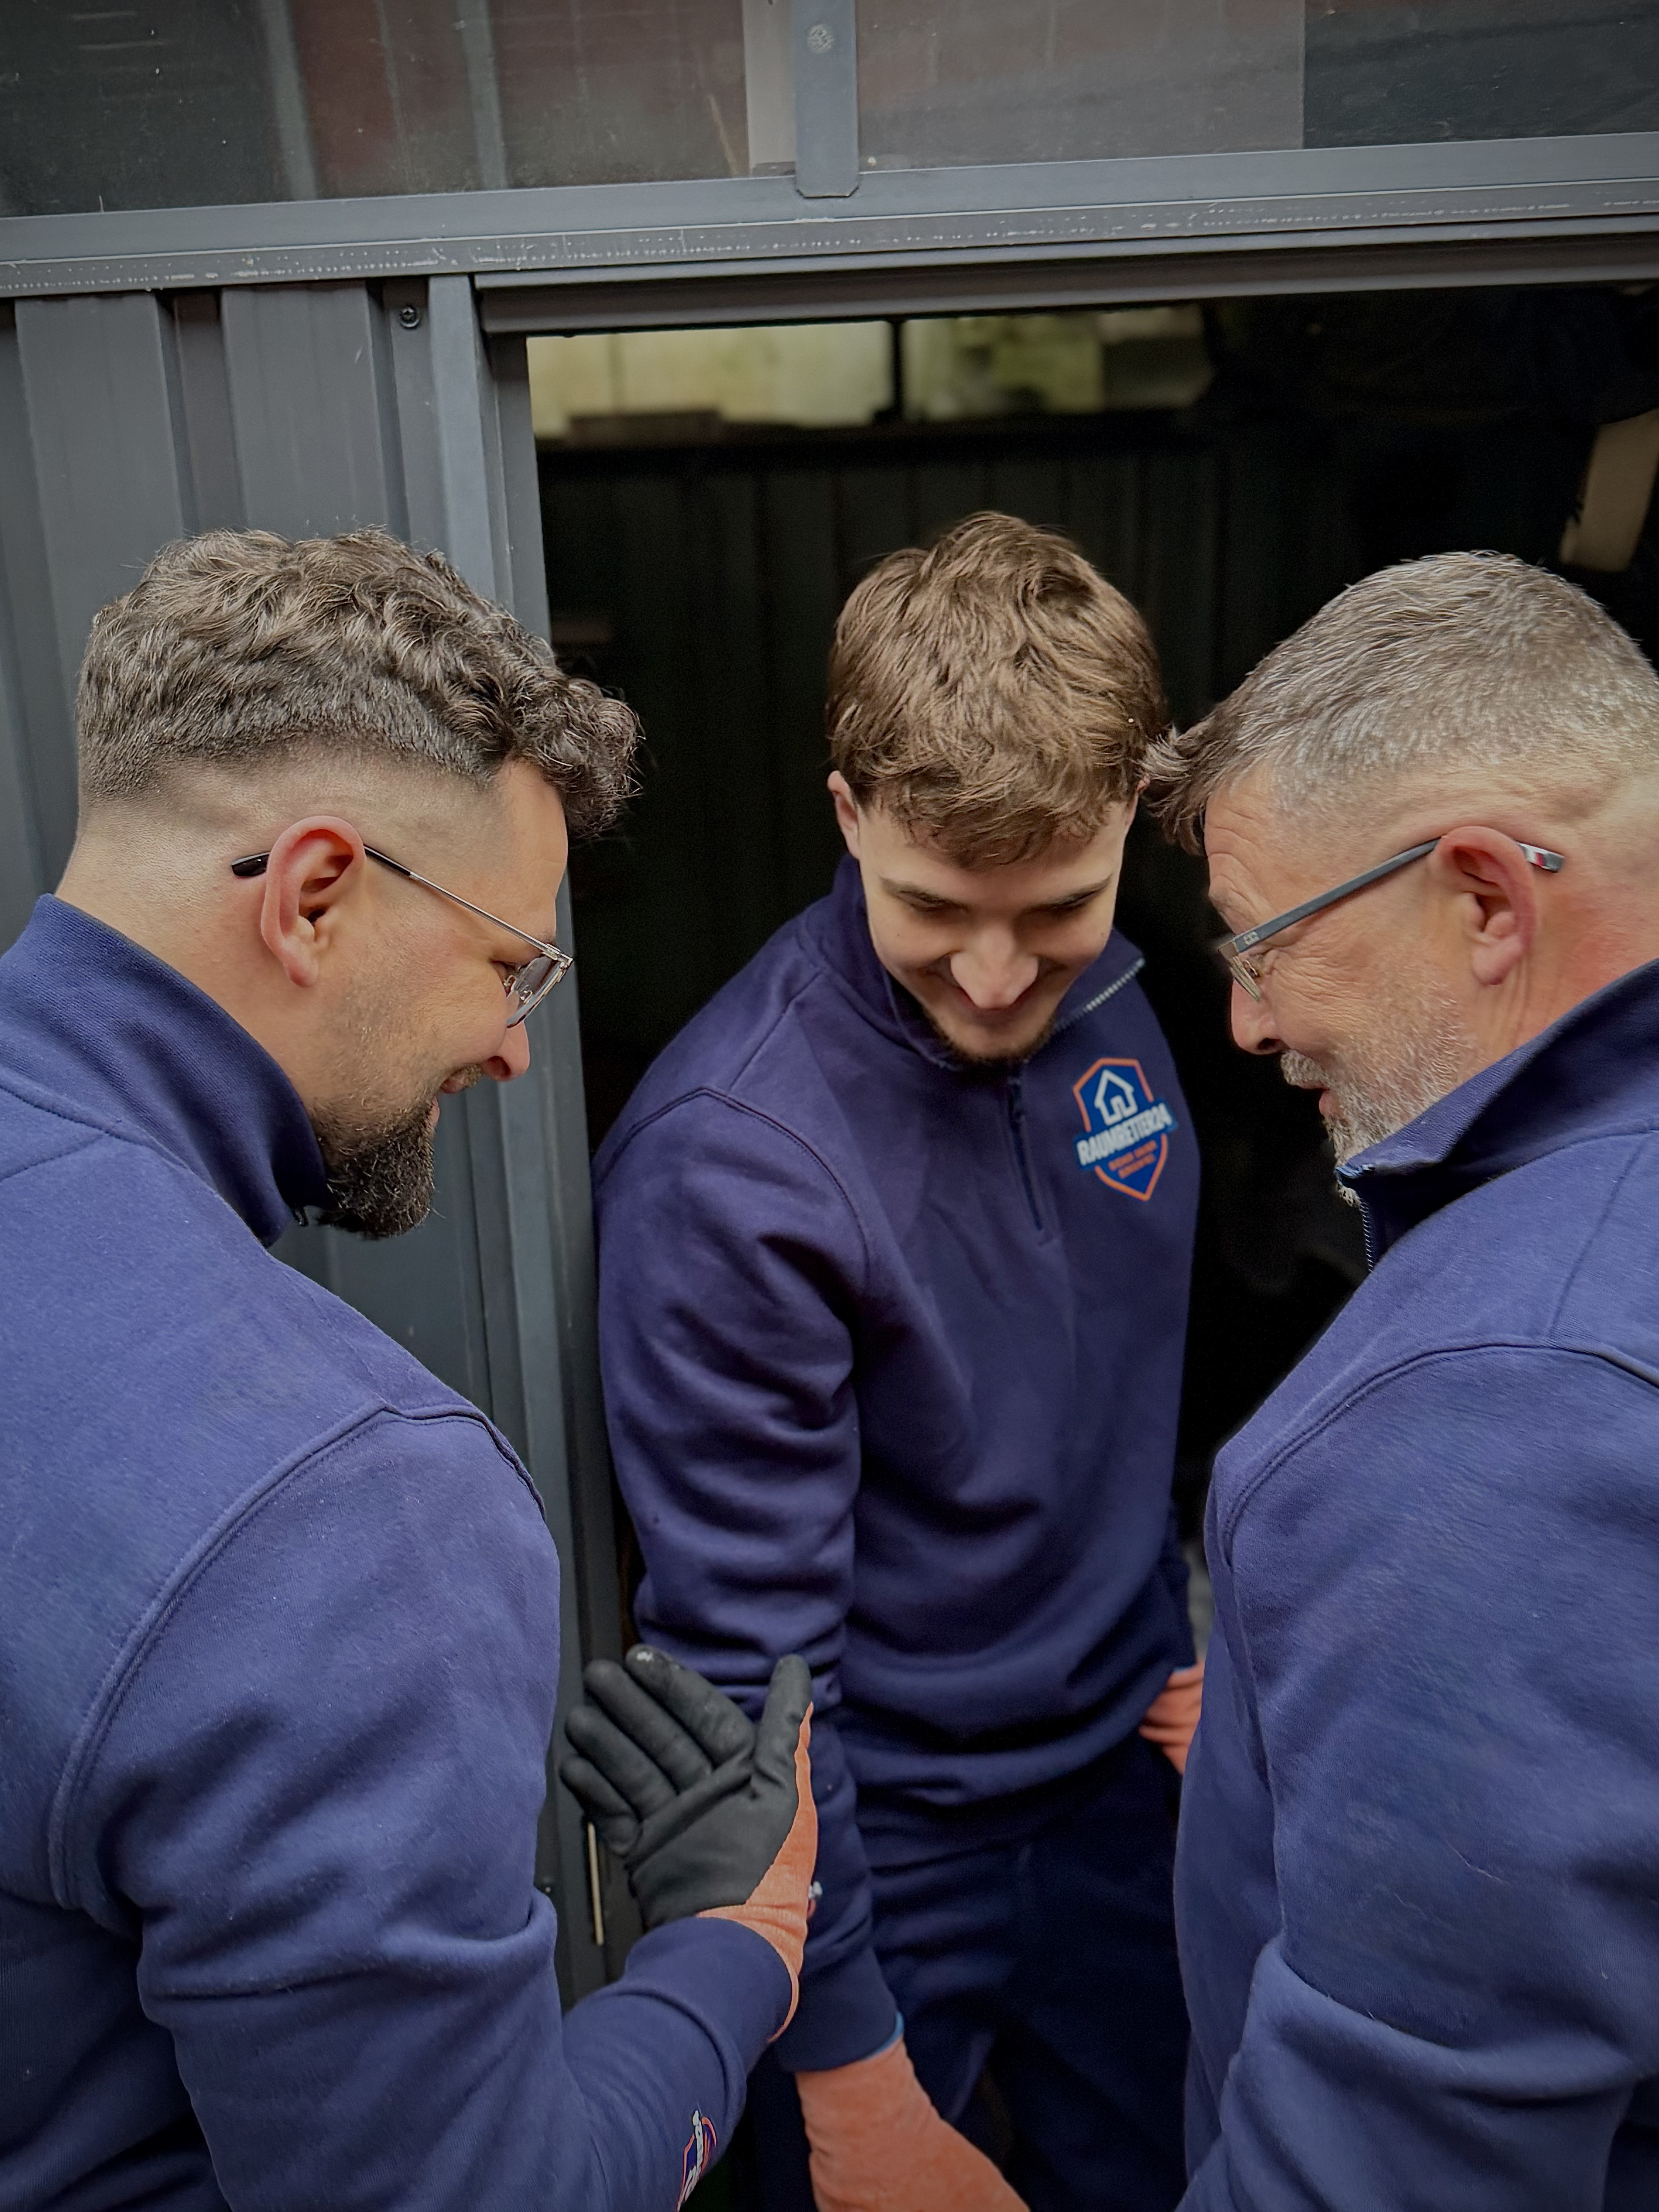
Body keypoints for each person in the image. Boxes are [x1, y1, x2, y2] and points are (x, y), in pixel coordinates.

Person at [0, 526, 819, 2212]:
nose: (519, 1041)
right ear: (315, 897)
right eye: (513, 962)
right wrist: (733, 1956)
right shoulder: (334, 1504)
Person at [595, 513, 1204, 2212]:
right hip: (887, 1842)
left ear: (1126, 825)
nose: (1000, 977)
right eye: (936, 908)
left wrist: (1164, 1641)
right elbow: (747, 1660)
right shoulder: (735, 1161)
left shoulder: (1122, 1011)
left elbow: (1117, 1367)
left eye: (1059, 908)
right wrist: (850, 2062)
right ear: (848, 813)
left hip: (1117, 1786)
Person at [1146, 550, 1659, 2209]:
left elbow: (1402, 2159)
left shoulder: (1489, 1404)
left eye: (1263, 944)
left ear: (1487, 901)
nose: (1244, 1021)